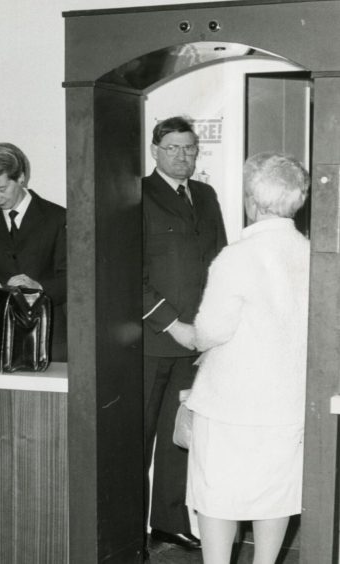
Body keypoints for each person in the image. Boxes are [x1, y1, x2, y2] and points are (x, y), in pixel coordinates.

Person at [169, 153, 309, 564]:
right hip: (287, 402)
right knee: (274, 494)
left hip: (230, 403)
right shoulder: (313, 255)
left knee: (218, 497)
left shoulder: (237, 256)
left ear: (252, 199)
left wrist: (192, 336)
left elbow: (210, 332)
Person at [142, 116, 227, 551]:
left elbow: (219, 266)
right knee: (136, 438)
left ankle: (168, 520)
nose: (182, 156)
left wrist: (210, 329)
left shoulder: (206, 195)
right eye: (173, 148)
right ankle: (124, 526)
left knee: (180, 435)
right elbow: (128, 273)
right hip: (154, 340)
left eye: (189, 148)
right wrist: (171, 324)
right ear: (155, 150)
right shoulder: (136, 195)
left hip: (196, 341)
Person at [0, 142, 67, 361]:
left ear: (20, 178)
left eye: (1, 189)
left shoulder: (58, 218)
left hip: (50, 338)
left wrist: (39, 287)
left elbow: (73, 278)